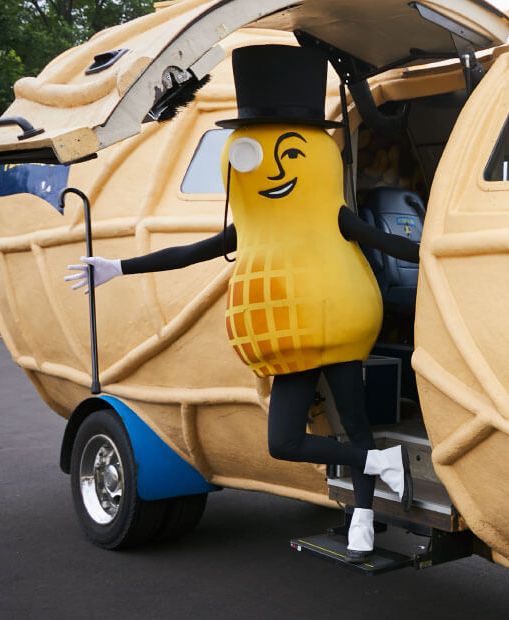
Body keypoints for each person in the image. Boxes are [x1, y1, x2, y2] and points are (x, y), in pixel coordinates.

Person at [65, 44, 417, 560]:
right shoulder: (250, 222)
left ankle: (362, 515)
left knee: (354, 425)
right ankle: (378, 464)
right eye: (254, 156)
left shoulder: (332, 213)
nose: (273, 170)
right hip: (289, 340)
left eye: (292, 153)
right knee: (287, 442)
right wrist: (117, 267)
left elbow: (393, 245)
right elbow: (189, 253)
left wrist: (445, 254)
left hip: (340, 327)